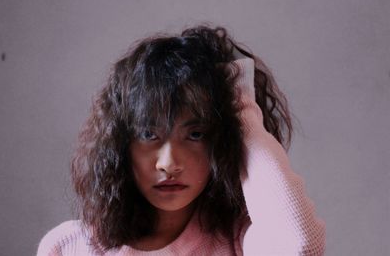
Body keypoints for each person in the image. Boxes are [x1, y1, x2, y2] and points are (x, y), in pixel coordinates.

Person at [37, 25, 326, 255]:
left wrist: (239, 106)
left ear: (222, 143)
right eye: (148, 134)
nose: (169, 163)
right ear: (120, 144)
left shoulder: (240, 241)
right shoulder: (68, 247)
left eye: (195, 134)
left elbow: (300, 246)